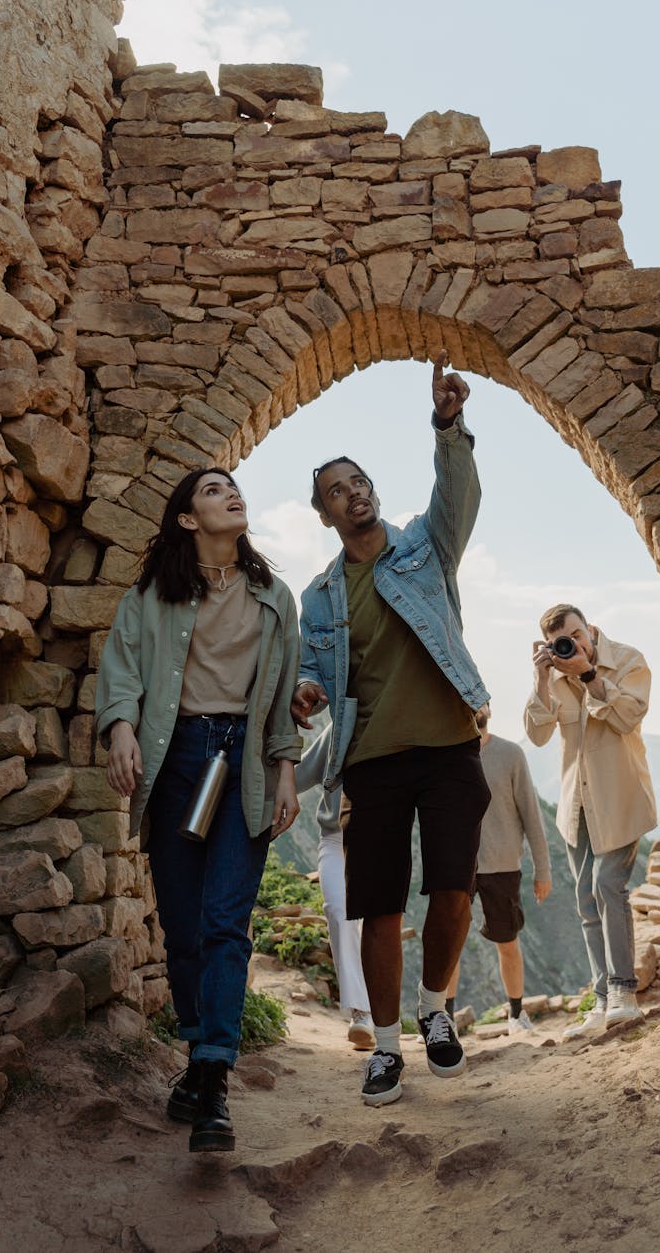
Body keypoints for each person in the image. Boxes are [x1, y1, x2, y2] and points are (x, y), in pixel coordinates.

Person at [291, 353, 491, 1107]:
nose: (353, 495)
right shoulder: (319, 595)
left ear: (374, 491)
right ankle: (382, 1049)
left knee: (453, 895)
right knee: (378, 908)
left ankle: (434, 1009)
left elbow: (458, 495)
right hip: (370, 762)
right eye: (336, 492)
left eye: (358, 482)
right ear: (325, 514)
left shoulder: (423, 547)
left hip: (447, 748)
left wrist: (448, 425)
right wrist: (307, 693)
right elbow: (317, 676)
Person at [95, 468, 302, 1152]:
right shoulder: (152, 595)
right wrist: (120, 727)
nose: (230, 494)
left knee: (223, 923)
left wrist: (285, 772)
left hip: (243, 763)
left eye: (234, 487)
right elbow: (122, 666)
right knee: (182, 927)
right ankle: (197, 1059)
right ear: (187, 519)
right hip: (177, 755)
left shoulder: (274, 598)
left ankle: (211, 1075)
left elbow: (277, 706)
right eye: (212, 490)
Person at [524, 604, 656, 1039]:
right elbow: (539, 734)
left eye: (578, 635)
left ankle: (623, 991)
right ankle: (601, 1000)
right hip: (576, 805)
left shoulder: (629, 660)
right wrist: (543, 677)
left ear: (591, 629)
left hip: (619, 799)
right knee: (585, 898)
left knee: (606, 885)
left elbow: (628, 716)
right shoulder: (554, 676)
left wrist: (588, 675)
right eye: (564, 641)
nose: (574, 645)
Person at [446, 703, 552, 1036]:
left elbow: (532, 815)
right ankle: (444, 1019)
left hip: (502, 864)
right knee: (448, 944)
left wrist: (543, 870)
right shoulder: (445, 755)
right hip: (455, 864)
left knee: (507, 942)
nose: (474, 705)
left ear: (489, 707)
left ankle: (516, 1015)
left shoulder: (510, 754)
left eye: (480, 699)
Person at [294, 725, 374, 1050]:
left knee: (374, 923)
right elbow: (300, 775)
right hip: (333, 837)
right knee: (338, 911)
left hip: (377, 839)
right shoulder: (341, 725)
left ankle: (381, 1014)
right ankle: (361, 1013)